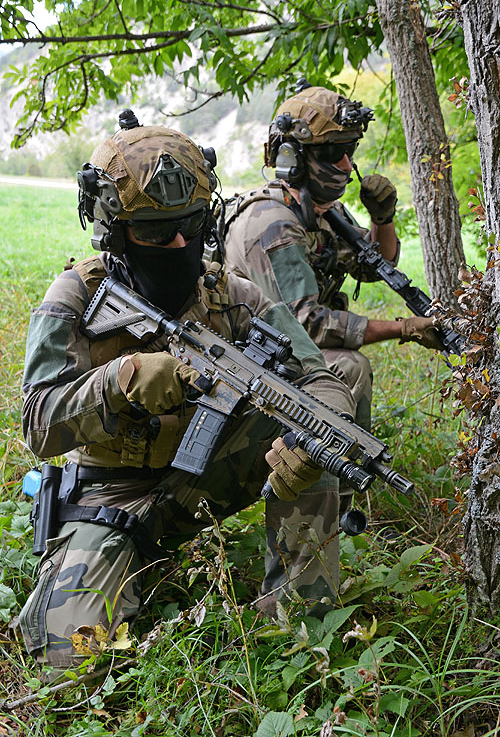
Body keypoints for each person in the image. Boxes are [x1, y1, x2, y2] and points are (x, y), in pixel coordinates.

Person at [19, 112, 360, 671]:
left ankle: (302, 635)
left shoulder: (231, 293)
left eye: (193, 225)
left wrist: (315, 433)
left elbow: (318, 372)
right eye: (156, 233)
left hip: (214, 472)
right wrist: (119, 382)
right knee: (70, 660)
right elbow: (36, 423)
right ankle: (130, 566)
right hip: (115, 494)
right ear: (114, 232)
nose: (179, 243)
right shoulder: (76, 299)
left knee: (314, 432)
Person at [224, 83, 442, 433]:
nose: (346, 163)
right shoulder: (273, 222)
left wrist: (382, 219)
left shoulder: (321, 211)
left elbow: (376, 266)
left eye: (350, 149)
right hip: (251, 355)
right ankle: (333, 476)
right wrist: (401, 329)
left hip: (283, 347)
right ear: (290, 158)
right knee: (348, 366)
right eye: (333, 152)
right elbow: (307, 324)